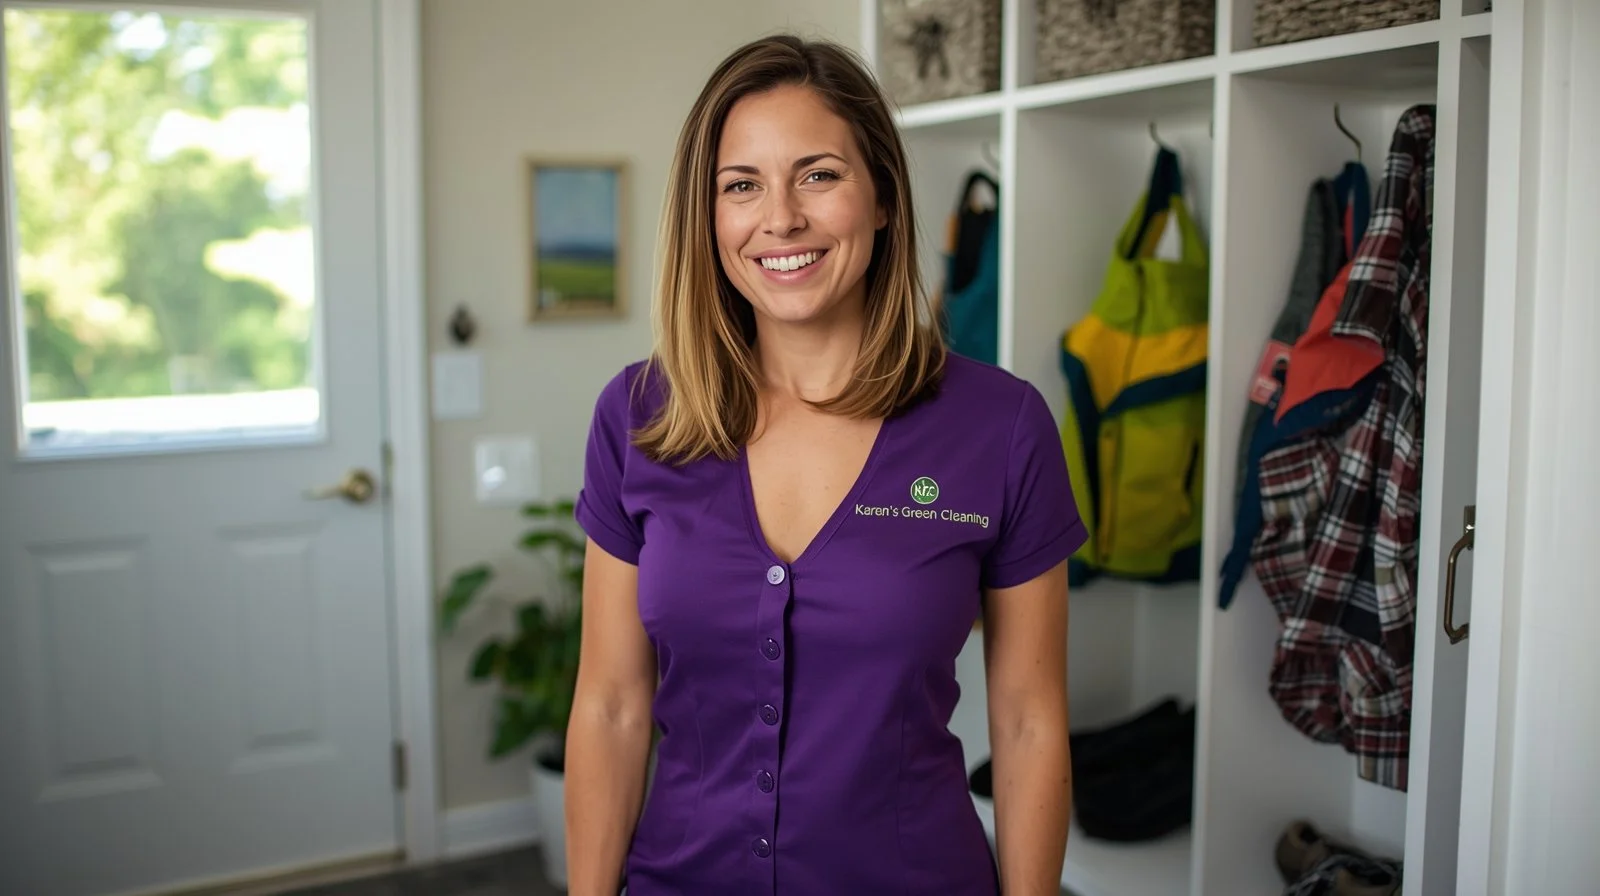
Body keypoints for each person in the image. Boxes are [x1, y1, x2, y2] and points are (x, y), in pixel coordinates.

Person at [564, 33, 1086, 896]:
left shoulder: (1002, 426)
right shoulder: (638, 417)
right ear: (710, 217)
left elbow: (1029, 724)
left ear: (881, 196)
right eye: (741, 186)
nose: (781, 219)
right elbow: (611, 705)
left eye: (819, 174)